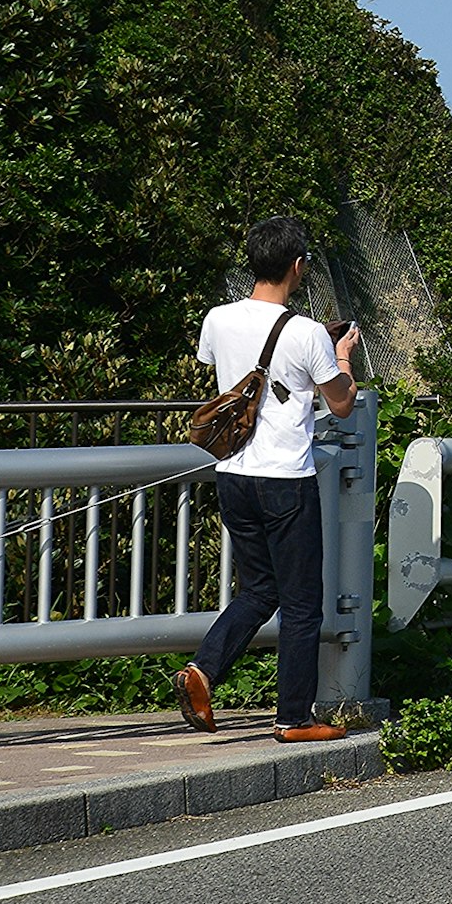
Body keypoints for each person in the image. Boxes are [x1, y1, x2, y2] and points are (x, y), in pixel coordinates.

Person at [183, 214, 361, 743]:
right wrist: (342, 356)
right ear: (298, 267)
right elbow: (342, 404)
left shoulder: (216, 319)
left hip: (232, 473)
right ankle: (294, 718)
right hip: (285, 478)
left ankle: (203, 671)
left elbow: (227, 369)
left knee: (260, 588)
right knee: (303, 601)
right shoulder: (306, 332)